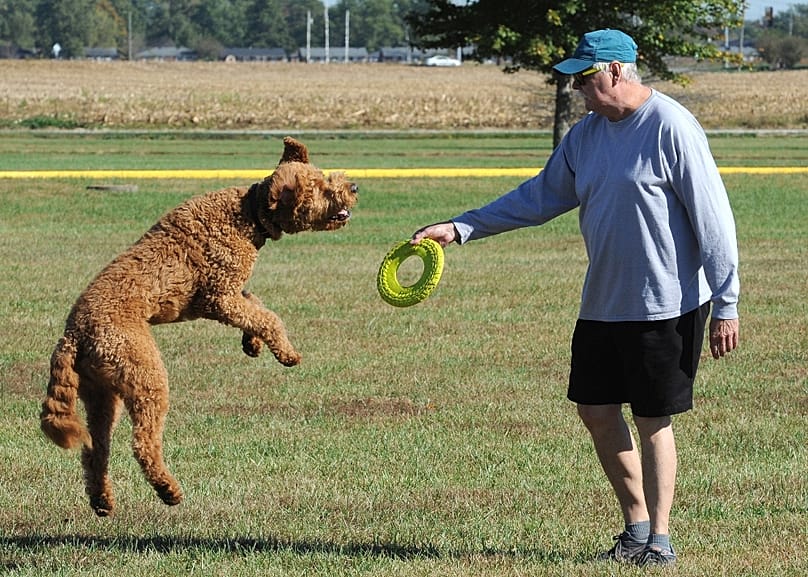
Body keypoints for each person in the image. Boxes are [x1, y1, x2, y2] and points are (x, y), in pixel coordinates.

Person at [411, 29, 739, 567]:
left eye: (584, 80)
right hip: (603, 302)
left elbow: (715, 222)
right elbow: (539, 197)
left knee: (654, 418)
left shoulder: (672, 127)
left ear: (614, 71)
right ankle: (634, 526)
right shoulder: (585, 136)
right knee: (595, 409)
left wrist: (727, 302)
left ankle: (660, 538)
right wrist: (461, 226)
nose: (579, 93)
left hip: (666, 304)